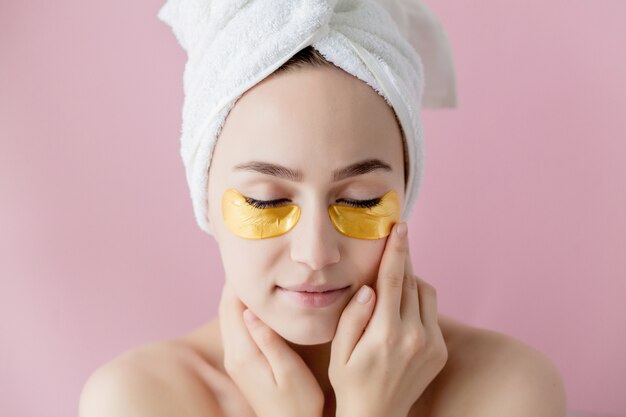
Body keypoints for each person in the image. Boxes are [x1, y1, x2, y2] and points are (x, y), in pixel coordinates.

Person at [79, 7, 567, 417]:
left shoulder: (506, 389)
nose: (315, 253)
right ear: (205, 200)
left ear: (406, 192)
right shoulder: (139, 400)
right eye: (265, 201)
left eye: (360, 201)